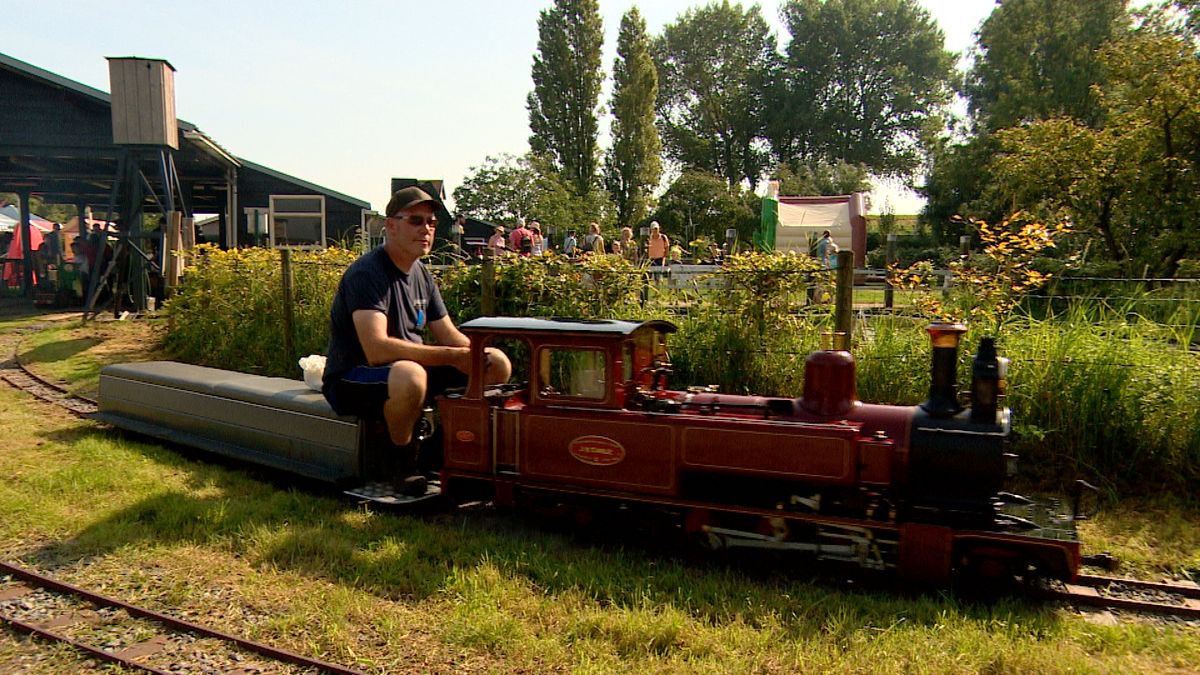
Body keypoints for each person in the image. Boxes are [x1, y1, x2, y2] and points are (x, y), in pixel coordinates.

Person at [322, 186, 512, 495]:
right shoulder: (366, 273)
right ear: (391, 226)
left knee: (495, 364)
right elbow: (376, 349)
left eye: (431, 222)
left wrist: (478, 355)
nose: (426, 228)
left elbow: (448, 334)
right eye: (415, 220)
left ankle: (439, 454)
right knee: (410, 375)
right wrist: (451, 356)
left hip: (407, 371)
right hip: (352, 377)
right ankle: (400, 464)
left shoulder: (421, 273)